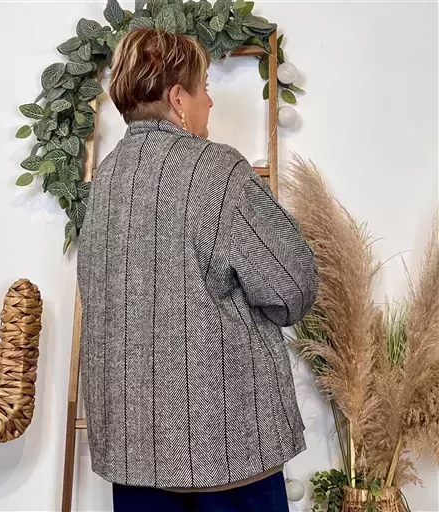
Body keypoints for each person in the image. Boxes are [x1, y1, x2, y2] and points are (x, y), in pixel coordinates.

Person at [77, 29, 319, 512]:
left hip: (133, 452)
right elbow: (293, 287)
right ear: (177, 99)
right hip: (225, 450)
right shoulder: (217, 170)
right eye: (203, 87)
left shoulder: (105, 179)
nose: (209, 101)